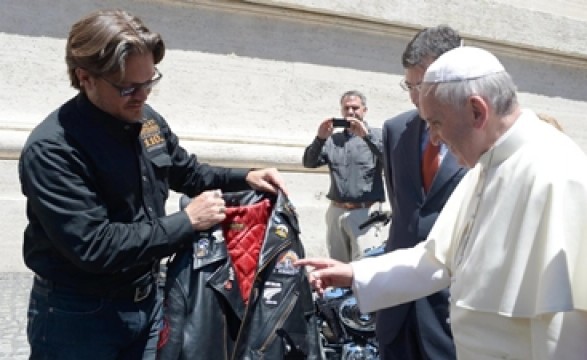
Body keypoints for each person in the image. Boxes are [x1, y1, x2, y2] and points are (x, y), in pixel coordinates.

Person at [18, 9, 286, 360]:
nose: (143, 96)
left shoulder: (147, 122)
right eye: (128, 87)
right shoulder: (54, 149)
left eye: (149, 82)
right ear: (85, 77)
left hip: (148, 304)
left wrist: (245, 176)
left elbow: (188, 173)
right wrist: (187, 221)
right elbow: (95, 247)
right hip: (78, 317)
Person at [297, 46, 587, 359]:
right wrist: (355, 274)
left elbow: (563, 328)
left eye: (436, 123)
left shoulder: (557, 172)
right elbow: (437, 259)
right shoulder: (486, 165)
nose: (434, 139)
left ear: (477, 111)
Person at [378, 25, 466, 360]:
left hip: (450, 313)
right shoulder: (395, 131)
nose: (416, 96)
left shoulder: (481, 135)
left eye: (424, 84)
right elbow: (403, 214)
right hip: (397, 312)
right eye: (410, 85)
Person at [302, 90, 385, 262]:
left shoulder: (377, 135)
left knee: (366, 266)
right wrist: (319, 138)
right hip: (337, 211)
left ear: (364, 110)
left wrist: (367, 137)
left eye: (355, 107)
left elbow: (389, 159)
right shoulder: (333, 140)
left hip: (365, 213)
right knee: (337, 266)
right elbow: (309, 163)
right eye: (346, 108)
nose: (350, 112)